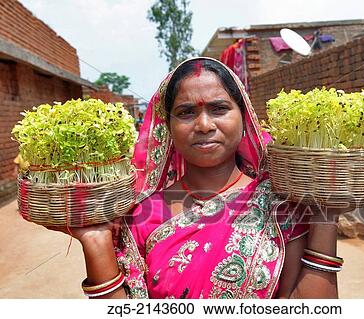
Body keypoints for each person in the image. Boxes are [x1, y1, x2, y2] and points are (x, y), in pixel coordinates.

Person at [49, 57, 348, 299]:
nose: (204, 125)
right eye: (186, 112)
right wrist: (96, 240)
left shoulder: (280, 203)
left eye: (219, 109)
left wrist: (326, 215)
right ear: (167, 126)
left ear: (244, 119)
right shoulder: (140, 214)